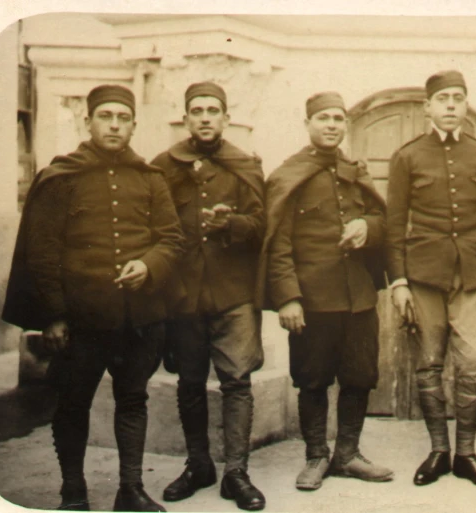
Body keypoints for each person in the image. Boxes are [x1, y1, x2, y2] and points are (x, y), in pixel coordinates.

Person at [2, 84, 185, 512]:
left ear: (134, 126)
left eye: (123, 118)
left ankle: (131, 490)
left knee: (133, 399)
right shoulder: (62, 176)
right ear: (88, 122)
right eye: (106, 116)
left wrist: (150, 265)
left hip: (137, 318)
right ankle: (73, 492)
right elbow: (43, 252)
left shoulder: (151, 179)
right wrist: (54, 316)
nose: (115, 125)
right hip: (79, 321)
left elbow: (172, 240)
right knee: (72, 403)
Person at [256, 91, 393, 491]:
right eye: (323, 118)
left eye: (338, 118)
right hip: (311, 301)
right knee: (312, 379)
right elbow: (277, 243)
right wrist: (288, 297)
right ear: (308, 124)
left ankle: (347, 454)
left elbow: (385, 221)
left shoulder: (355, 171)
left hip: (358, 297)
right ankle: (316, 456)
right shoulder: (288, 175)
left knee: (360, 377)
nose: (332, 125)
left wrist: (368, 227)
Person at [151, 82, 266, 511]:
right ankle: (199, 464)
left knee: (237, 382)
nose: (204, 117)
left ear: (225, 117)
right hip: (184, 296)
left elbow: (261, 226)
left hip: (232, 294)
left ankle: (236, 472)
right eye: (196, 110)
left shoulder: (245, 165)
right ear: (185, 119)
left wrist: (232, 223)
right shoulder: (163, 166)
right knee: (190, 382)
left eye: (213, 110)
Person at [387, 70, 476, 490]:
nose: (451, 105)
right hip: (423, 276)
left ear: (466, 104)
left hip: (472, 275)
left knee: (472, 366)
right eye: (443, 99)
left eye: (458, 97)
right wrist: (398, 282)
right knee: (429, 364)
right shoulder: (407, 156)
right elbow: (395, 223)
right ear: (428, 107)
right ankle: (438, 450)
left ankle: (467, 454)